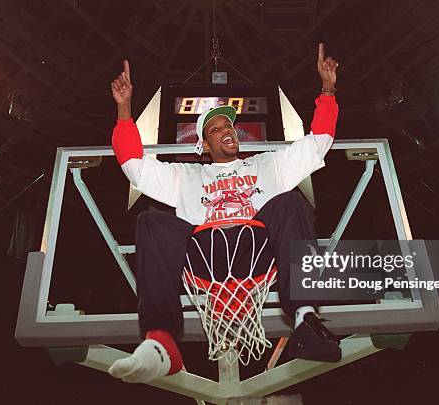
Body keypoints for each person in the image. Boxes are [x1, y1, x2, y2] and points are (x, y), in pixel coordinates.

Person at [109, 43, 341, 383]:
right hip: (205, 256)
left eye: (229, 126)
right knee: (151, 220)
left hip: (255, 252)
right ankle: (160, 340)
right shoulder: (186, 175)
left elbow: (319, 141)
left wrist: (328, 90)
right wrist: (125, 111)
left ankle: (305, 317)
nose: (227, 130)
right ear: (203, 144)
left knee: (291, 202)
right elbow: (134, 166)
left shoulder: (267, 164)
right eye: (216, 129)